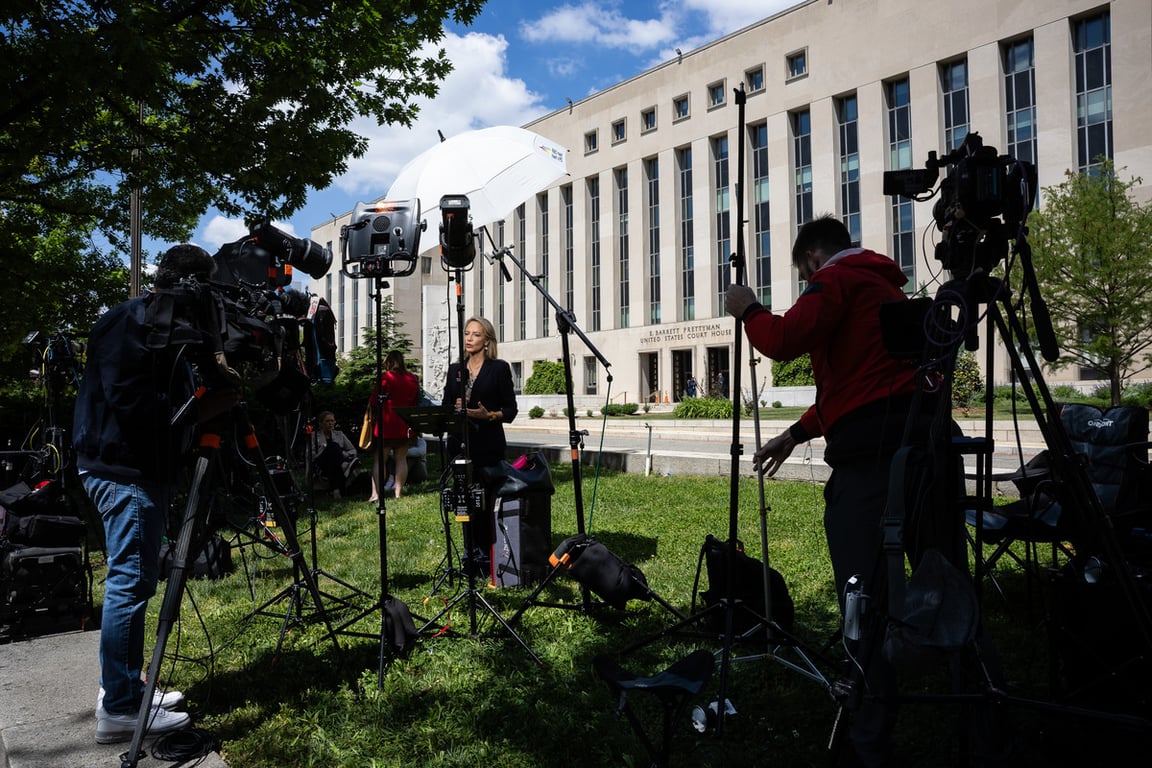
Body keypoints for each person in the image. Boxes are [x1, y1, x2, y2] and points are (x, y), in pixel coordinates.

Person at [725, 215, 950, 768]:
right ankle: (980, 709)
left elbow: (783, 340)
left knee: (863, 595)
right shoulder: (886, 287)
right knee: (945, 579)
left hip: (871, 469)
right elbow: (859, 387)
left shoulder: (835, 281)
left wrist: (748, 308)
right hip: (927, 453)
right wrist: (792, 434)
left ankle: (867, 734)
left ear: (812, 261)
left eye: (803, 274)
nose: (804, 285)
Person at [74, 244, 235, 744]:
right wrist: (199, 411)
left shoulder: (156, 325)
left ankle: (121, 686)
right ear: (192, 285)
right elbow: (133, 405)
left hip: (135, 468)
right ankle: (121, 710)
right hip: (124, 471)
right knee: (131, 581)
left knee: (131, 578)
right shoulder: (132, 323)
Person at [442, 316, 518, 557]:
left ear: (487, 340)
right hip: (459, 447)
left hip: (488, 446)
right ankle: (468, 553)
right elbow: (445, 405)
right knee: (463, 502)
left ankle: (488, 555)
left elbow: (510, 410)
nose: (469, 339)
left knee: (483, 503)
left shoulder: (499, 368)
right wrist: (453, 408)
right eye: (466, 333)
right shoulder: (456, 369)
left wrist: (489, 415)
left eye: (475, 334)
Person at [368, 350, 420, 500]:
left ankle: (376, 494)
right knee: (401, 459)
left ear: (389, 362)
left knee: (380, 460)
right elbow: (415, 401)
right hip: (405, 424)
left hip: (387, 424)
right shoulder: (413, 378)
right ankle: (398, 493)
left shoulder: (385, 378)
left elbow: (373, 401)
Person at [310, 410, 357, 499]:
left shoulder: (339, 434)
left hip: (333, 463)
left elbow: (353, 450)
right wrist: (330, 451)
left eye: (332, 421)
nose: (330, 423)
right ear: (321, 423)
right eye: (327, 421)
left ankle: (336, 490)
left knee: (334, 459)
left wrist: (346, 453)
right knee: (333, 446)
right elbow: (310, 454)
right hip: (321, 462)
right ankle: (344, 465)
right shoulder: (314, 436)